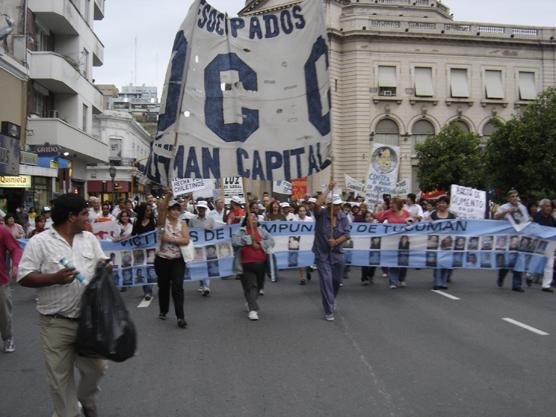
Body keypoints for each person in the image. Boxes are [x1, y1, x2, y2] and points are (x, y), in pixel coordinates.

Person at [17, 194, 109, 417]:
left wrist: (105, 269)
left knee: (97, 368)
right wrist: (54, 278)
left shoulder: (89, 238)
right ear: (71, 217)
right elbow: (23, 276)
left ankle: (86, 399)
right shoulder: (40, 242)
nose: (88, 218)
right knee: (59, 379)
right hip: (55, 322)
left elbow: (101, 262)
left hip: (88, 320)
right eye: (85, 214)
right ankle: (69, 412)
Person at [312, 182, 351, 321]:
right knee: (326, 281)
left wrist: (336, 241)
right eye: (335, 205)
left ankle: (331, 299)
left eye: (339, 205)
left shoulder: (343, 217)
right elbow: (316, 205)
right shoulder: (321, 214)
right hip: (322, 254)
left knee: (336, 280)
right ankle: (328, 310)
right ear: (329, 205)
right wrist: (328, 190)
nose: (338, 207)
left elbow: (347, 234)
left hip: (337, 254)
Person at [155, 192, 190, 328]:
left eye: (177, 210)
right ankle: (163, 310)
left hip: (177, 260)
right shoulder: (163, 222)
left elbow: (186, 240)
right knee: (163, 286)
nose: (175, 212)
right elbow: (161, 209)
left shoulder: (183, 224)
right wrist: (168, 196)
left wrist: (171, 239)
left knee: (177, 286)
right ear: (169, 211)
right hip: (162, 259)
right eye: (173, 209)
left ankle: (180, 317)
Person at [232, 212, 275, 321]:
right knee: (251, 286)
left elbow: (271, 241)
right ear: (246, 220)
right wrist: (248, 239)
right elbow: (234, 242)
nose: (253, 219)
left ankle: (251, 302)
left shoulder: (262, 231)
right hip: (245, 263)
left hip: (261, 263)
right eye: (250, 217)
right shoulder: (240, 231)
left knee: (259, 287)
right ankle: (253, 310)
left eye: (255, 217)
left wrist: (259, 243)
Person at [494, 189, 530, 292]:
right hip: (507, 239)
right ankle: (501, 275)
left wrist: (530, 219)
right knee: (507, 261)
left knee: (519, 259)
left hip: (519, 238)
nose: (514, 198)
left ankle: (516, 285)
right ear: (508, 198)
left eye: (516, 196)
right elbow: (495, 217)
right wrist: (505, 212)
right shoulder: (504, 207)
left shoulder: (522, 208)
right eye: (512, 196)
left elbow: (526, 221)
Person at [375, 197, 412, 289]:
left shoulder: (407, 213)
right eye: (390, 203)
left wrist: (410, 222)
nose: (391, 205)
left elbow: (412, 223)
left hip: (404, 241)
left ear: (398, 204)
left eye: (393, 203)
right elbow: (378, 219)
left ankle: (402, 279)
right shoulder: (388, 212)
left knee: (403, 261)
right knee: (392, 261)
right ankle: (393, 281)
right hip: (391, 240)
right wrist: (378, 209)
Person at [0, 223, 22, 353]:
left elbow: (15, 249)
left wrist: (15, 265)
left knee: (3, 313)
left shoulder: (2, 231)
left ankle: (8, 337)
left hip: (0, 280)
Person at [429, 196, 457, 290]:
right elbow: (427, 225)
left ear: (447, 204)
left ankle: (444, 282)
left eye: (444, 203)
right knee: (438, 262)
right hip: (436, 242)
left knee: (446, 262)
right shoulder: (433, 214)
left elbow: (456, 227)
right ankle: (438, 282)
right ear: (437, 205)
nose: (442, 204)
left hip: (448, 242)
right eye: (440, 203)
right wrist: (429, 222)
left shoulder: (452, 216)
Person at [190, 200, 216, 296]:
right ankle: (202, 284)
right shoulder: (193, 220)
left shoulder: (211, 220)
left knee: (207, 265)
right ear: (197, 209)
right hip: (197, 247)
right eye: (199, 208)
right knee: (201, 265)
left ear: (205, 209)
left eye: (203, 208)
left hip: (208, 246)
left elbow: (215, 233)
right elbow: (190, 232)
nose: (201, 210)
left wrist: (209, 230)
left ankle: (206, 286)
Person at [132, 203, 157, 301]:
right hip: (140, 251)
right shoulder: (136, 221)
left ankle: (149, 291)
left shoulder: (153, 221)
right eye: (147, 210)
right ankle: (146, 290)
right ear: (142, 211)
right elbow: (133, 235)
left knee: (150, 269)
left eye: (150, 210)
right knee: (142, 269)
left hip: (151, 250)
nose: (149, 212)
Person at [532, 199, 556, 293]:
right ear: (541, 207)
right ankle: (529, 276)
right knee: (534, 261)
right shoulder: (536, 217)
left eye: (550, 206)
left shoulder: (552, 219)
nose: (549, 208)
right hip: (538, 243)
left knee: (549, 264)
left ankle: (546, 285)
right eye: (546, 206)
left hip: (550, 243)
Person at [292, 205, 314, 285]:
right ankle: (302, 278)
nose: (302, 212)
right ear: (298, 212)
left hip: (308, 242)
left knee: (307, 258)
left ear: (305, 211)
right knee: (300, 259)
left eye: (303, 210)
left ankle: (308, 269)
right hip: (299, 242)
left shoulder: (310, 219)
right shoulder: (294, 220)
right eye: (300, 211)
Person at [361, 211, 376, 286]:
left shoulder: (377, 226)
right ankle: (364, 278)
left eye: (370, 216)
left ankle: (370, 276)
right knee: (364, 263)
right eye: (367, 217)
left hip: (374, 246)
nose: (369, 218)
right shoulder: (361, 226)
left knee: (373, 263)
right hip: (364, 246)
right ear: (364, 218)